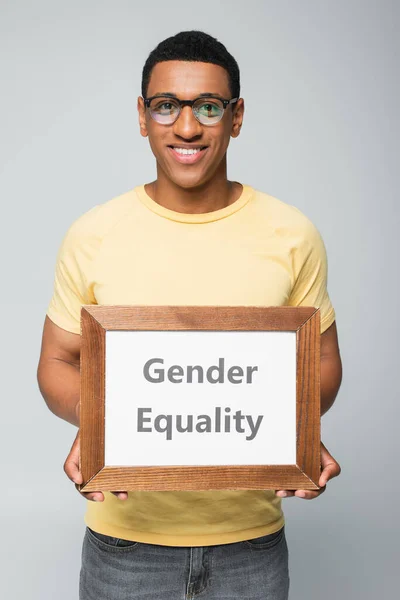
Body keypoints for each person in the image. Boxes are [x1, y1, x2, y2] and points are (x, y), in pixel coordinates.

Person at [37, 29, 342, 600]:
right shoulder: (93, 234)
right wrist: (97, 425)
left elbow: (320, 358)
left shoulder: (292, 234)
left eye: (207, 107)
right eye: (166, 106)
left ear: (237, 116)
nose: (186, 127)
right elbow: (57, 359)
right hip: (124, 548)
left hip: (250, 545)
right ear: (142, 115)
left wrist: (300, 428)